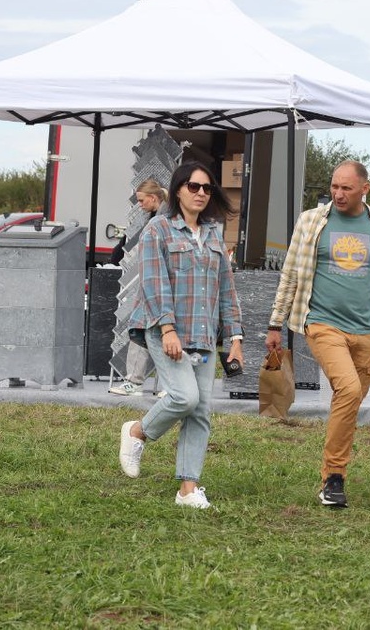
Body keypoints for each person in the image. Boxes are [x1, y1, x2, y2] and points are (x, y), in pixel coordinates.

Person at [265, 160, 370, 509]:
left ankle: (331, 478)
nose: (338, 194)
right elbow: (291, 273)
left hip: (369, 330)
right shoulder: (311, 221)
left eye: (346, 188)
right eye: (334, 186)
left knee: (349, 402)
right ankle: (335, 477)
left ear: (365, 189)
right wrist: (275, 322)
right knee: (349, 389)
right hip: (323, 323)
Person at [117, 162, 243, 509]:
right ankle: (137, 431)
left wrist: (235, 339)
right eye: (193, 186)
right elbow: (153, 283)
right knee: (185, 398)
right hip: (165, 329)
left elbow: (226, 289)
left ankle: (188, 489)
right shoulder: (158, 229)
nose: (201, 193)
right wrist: (168, 329)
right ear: (177, 190)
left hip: (204, 334)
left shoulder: (214, 233)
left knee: (200, 411)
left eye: (207, 188)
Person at [109, 178, 168, 397]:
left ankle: (141, 382)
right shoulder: (158, 216)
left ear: (153, 198)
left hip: (159, 283)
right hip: (152, 281)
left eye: (142, 200)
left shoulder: (164, 219)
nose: (140, 205)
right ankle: (136, 381)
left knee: (160, 332)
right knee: (141, 329)